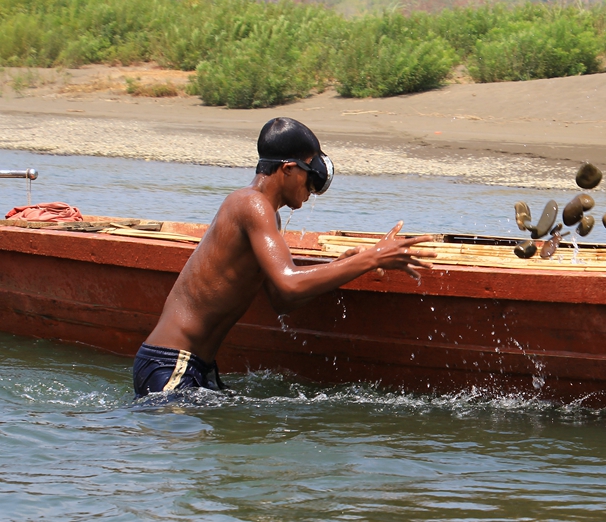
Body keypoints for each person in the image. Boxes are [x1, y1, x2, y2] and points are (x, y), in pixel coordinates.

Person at [133, 117, 435, 397]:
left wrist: (344, 264)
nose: (311, 189)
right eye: (309, 175)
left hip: (194, 366)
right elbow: (290, 285)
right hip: (171, 363)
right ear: (288, 169)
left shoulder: (261, 212)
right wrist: (372, 258)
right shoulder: (252, 205)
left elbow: (282, 298)